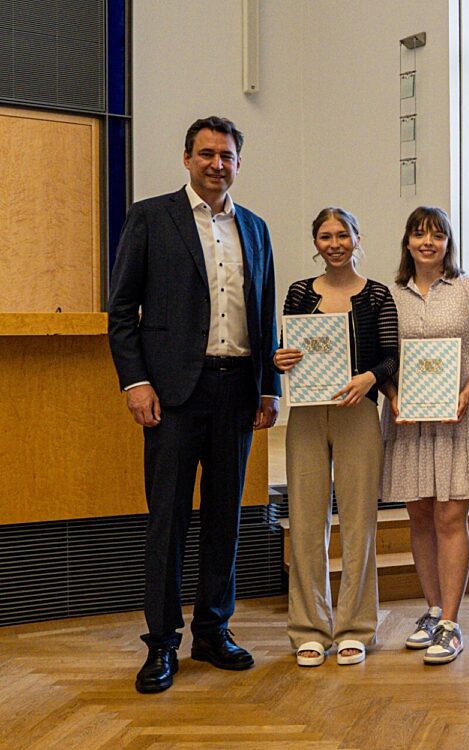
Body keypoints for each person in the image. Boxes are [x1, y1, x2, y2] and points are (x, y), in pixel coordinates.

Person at [108, 116, 279, 693]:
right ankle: (161, 645)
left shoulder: (254, 228)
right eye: (206, 154)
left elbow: (266, 313)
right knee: (169, 521)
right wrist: (136, 383)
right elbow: (122, 311)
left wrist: (267, 387)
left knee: (226, 520)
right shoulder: (150, 218)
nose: (216, 164)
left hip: (236, 393)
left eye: (227, 156)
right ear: (186, 159)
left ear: (238, 163)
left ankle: (213, 631)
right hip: (174, 395)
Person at [272, 208, 398, 667]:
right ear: (316, 243)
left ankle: (355, 628)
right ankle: (308, 628)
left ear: (357, 238)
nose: (334, 243)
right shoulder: (299, 292)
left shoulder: (378, 295)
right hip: (306, 414)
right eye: (325, 236)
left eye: (342, 234)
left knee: (360, 522)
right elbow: (288, 346)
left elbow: (390, 356)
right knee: (306, 520)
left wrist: (369, 378)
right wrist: (280, 358)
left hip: (358, 413)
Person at [381, 206, 469, 665]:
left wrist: (466, 393)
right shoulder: (389, 294)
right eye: (419, 233)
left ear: (448, 243)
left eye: (437, 234)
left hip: (459, 417)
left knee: (451, 519)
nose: (428, 242)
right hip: (408, 420)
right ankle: (431, 610)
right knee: (419, 517)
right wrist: (393, 396)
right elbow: (383, 355)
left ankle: (450, 622)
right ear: (407, 242)